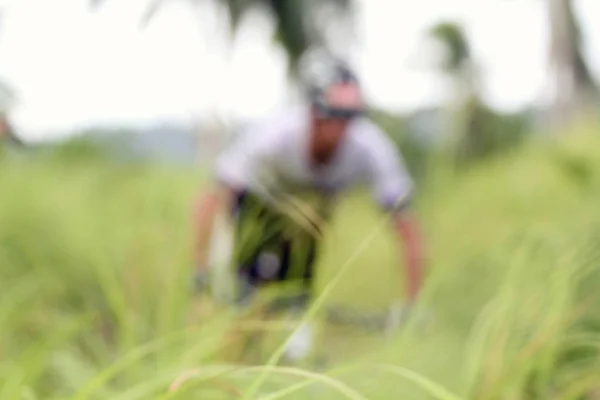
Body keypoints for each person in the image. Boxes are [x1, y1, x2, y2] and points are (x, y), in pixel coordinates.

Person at [191, 50, 424, 359]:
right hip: (258, 207)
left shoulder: (370, 148)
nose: (340, 128)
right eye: (332, 115)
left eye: (350, 117)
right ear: (313, 110)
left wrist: (412, 303)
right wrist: (201, 270)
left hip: (311, 221)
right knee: (248, 293)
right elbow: (212, 196)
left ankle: (292, 360)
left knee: (297, 291)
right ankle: (240, 350)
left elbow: (406, 227)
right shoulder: (275, 136)